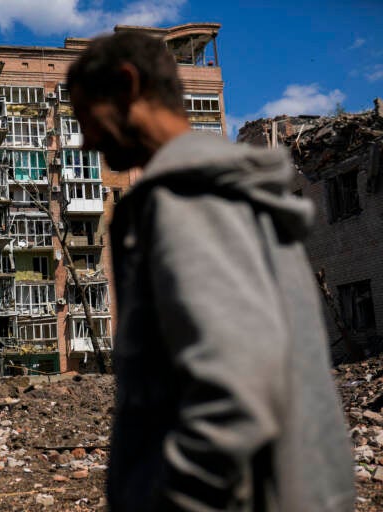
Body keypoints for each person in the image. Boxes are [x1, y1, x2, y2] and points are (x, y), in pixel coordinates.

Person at [67, 31, 354, 511]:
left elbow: (233, 390)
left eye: (85, 115)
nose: (86, 138)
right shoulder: (235, 196)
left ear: (126, 85)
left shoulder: (187, 199)